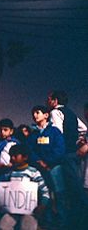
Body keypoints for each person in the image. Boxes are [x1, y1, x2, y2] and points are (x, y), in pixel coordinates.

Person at [47, 90, 87, 228]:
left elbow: (58, 132)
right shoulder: (71, 113)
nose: (48, 101)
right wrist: (78, 139)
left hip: (64, 154)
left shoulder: (55, 112)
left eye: (49, 99)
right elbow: (83, 128)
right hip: (74, 154)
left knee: (70, 189)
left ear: (55, 101)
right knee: (74, 184)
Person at [27, 105, 66, 227]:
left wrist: (48, 162)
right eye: (33, 113)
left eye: (38, 112)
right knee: (43, 195)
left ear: (46, 115)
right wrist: (39, 161)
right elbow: (29, 150)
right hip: (39, 169)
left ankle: (62, 221)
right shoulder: (33, 135)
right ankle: (47, 221)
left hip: (54, 168)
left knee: (59, 194)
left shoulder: (54, 131)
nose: (35, 115)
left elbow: (60, 150)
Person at [0, 144, 50, 230]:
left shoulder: (33, 173)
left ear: (25, 157)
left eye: (15, 156)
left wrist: (42, 205)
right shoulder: (9, 173)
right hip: (11, 211)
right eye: (11, 156)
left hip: (30, 212)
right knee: (3, 226)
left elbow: (45, 191)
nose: (12, 158)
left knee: (27, 227)